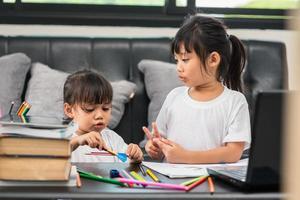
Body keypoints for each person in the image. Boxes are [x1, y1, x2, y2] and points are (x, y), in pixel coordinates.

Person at [143, 15, 251, 164]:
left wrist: (185, 157)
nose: (179, 67)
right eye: (177, 60)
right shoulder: (174, 97)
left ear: (213, 59)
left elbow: (232, 153)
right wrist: (155, 148)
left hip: (211, 182)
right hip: (172, 181)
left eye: (185, 59)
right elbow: (162, 143)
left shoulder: (235, 101)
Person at [63, 70, 143, 163]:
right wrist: (77, 141)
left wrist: (135, 157)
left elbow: (127, 162)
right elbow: (52, 158)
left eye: (105, 108)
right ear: (69, 110)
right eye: (90, 109)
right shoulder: (64, 139)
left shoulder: (112, 138)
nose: (100, 115)